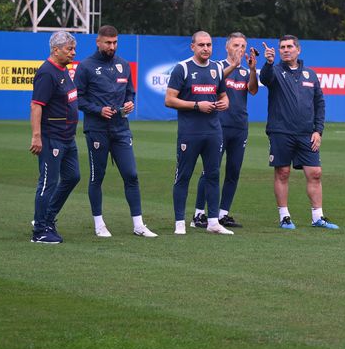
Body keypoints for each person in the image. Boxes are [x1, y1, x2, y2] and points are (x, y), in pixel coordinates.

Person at [75, 25, 157, 239]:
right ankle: (99, 224)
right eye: (108, 43)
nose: (112, 46)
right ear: (98, 42)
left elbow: (130, 91)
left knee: (131, 175)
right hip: (97, 131)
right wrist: (97, 110)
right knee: (97, 177)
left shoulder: (123, 65)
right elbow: (78, 99)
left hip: (121, 130)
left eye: (115, 43)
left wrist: (130, 103)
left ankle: (139, 225)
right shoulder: (85, 67)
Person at [260, 35, 337, 230]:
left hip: (306, 134)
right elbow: (264, 79)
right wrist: (268, 63)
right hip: (281, 132)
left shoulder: (310, 75)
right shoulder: (275, 71)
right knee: (283, 172)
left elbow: (319, 103)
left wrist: (318, 131)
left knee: (315, 173)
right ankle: (284, 216)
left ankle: (317, 217)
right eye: (282, 47)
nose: (285, 50)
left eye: (289, 47)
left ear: (298, 50)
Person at [165, 31, 232, 236]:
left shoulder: (217, 69)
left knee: (213, 175)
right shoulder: (182, 68)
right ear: (192, 47)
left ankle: (213, 221)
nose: (206, 48)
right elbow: (169, 100)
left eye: (209, 45)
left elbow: (223, 94)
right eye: (201, 45)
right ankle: (179, 223)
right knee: (183, 177)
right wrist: (196, 105)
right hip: (190, 133)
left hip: (213, 131)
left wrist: (224, 102)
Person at [193, 33, 258, 230]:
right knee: (210, 170)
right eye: (236, 45)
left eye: (243, 45)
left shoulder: (246, 71)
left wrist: (253, 70)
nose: (240, 48)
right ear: (227, 47)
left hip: (240, 127)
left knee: (233, 171)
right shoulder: (217, 67)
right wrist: (235, 64)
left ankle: (223, 214)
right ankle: (199, 214)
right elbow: (216, 83)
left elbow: (253, 90)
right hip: (218, 126)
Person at [29, 31, 81, 244]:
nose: (73, 52)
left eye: (73, 48)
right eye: (69, 49)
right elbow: (36, 105)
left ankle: (47, 218)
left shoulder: (63, 71)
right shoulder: (47, 73)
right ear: (55, 49)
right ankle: (40, 230)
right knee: (48, 183)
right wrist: (37, 136)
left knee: (72, 177)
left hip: (68, 137)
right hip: (52, 137)